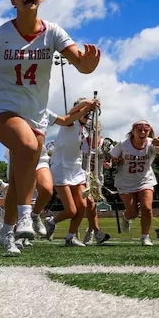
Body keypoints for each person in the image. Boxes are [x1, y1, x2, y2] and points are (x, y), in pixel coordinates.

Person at [0, 0, 101, 254]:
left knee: (18, 176)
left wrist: (88, 65)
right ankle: (27, 215)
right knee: (27, 146)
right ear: (12, 0)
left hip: (36, 115)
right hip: (1, 110)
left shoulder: (53, 32)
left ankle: (6, 232)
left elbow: (80, 63)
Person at [46, 98, 103, 247]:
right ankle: (51, 222)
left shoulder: (85, 129)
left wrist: (97, 132)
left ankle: (70, 237)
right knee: (71, 210)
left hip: (76, 169)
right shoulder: (70, 122)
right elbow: (71, 114)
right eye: (86, 110)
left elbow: (93, 147)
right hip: (60, 168)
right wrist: (86, 103)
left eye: (91, 111)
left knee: (82, 206)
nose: (88, 113)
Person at [110, 120, 159, 246]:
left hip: (145, 179)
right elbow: (112, 157)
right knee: (133, 213)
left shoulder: (152, 142)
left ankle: (144, 236)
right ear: (133, 131)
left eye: (145, 130)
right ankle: (126, 217)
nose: (142, 132)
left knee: (147, 208)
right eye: (139, 129)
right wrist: (115, 160)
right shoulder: (123, 144)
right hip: (125, 181)